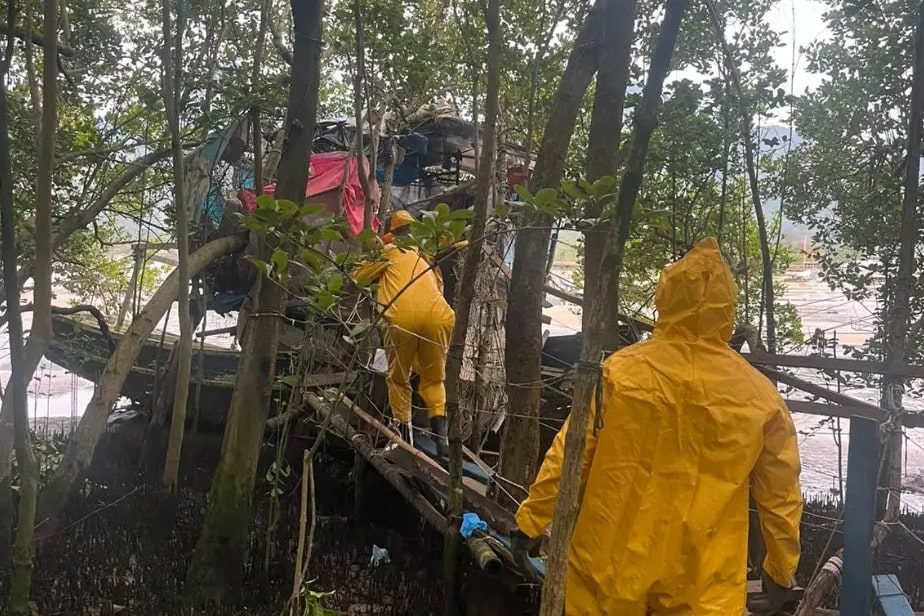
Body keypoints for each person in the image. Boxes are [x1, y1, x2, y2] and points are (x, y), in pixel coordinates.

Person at [512, 237, 803, 615]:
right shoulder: (759, 396)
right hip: (703, 577)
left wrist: (531, 522)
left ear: (665, 297)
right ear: (727, 309)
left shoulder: (619, 372)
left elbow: (570, 453)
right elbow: (780, 495)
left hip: (611, 565)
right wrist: (781, 572)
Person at [354, 210, 454, 456]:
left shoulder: (388, 252)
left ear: (391, 233)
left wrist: (374, 257)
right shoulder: (423, 256)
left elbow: (358, 277)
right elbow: (439, 287)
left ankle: (404, 437)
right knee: (433, 379)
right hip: (439, 316)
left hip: (403, 318)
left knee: (398, 378)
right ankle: (442, 441)